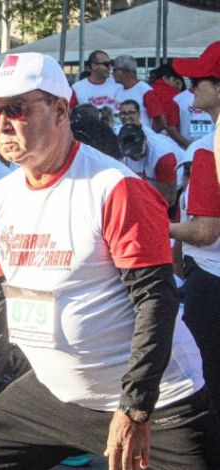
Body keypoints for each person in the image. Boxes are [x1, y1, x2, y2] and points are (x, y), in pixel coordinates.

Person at [0, 52, 215, 470]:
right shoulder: (0, 198)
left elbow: (156, 302)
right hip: (56, 394)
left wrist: (135, 408)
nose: (3, 124)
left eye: (17, 109)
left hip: (156, 403)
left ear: (60, 110)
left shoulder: (114, 187)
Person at [171, 42, 220, 413]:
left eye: (198, 81)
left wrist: (159, 226)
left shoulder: (207, 150)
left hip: (211, 279)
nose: (191, 88)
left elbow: (205, 231)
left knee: (206, 383)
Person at [117, 123, 177, 206]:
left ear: (145, 140)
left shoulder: (162, 156)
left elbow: (167, 200)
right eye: (130, 154)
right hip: (147, 187)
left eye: (137, 151)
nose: (135, 156)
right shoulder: (117, 152)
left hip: (172, 188)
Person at [112, 55, 166, 131]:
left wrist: (148, 135)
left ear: (124, 71)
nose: (112, 73)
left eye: (114, 70)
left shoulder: (145, 91)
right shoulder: (118, 91)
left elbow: (161, 122)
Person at [70, 50, 121, 116]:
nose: (109, 67)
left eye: (111, 63)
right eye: (106, 64)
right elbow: (70, 113)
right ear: (94, 66)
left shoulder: (118, 84)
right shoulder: (76, 88)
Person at [151, 64, 190, 148]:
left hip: (149, 140)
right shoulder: (175, 96)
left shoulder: (146, 90)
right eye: (175, 81)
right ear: (165, 78)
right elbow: (172, 127)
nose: (176, 86)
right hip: (170, 142)